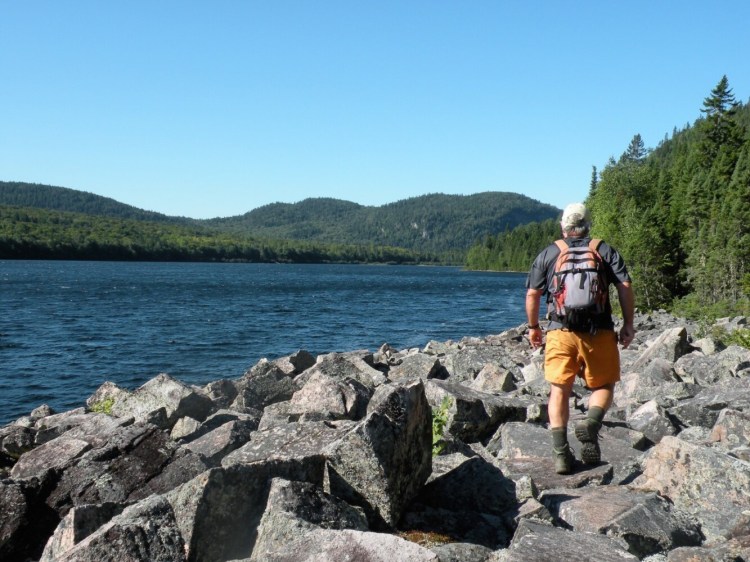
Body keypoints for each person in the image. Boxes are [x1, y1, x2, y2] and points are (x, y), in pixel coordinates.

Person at [525, 202, 635, 474]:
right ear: (588, 225)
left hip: (560, 331)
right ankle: (592, 423)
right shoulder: (603, 250)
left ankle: (561, 454)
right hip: (599, 330)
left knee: (559, 389)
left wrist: (533, 326)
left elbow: (533, 294)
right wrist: (629, 324)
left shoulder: (550, 253)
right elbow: (625, 286)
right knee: (604, 385)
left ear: (563, 226)